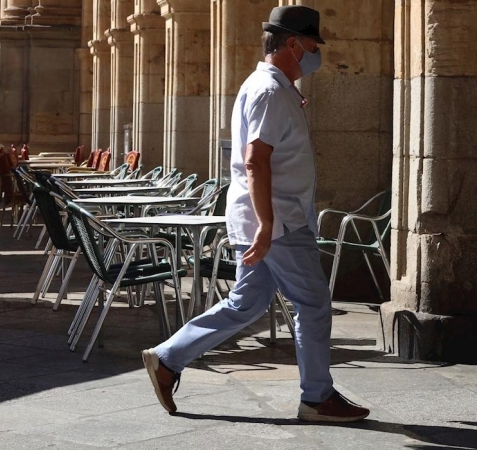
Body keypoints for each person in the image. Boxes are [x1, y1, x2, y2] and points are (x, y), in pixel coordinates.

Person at [141, 5, 370, 423]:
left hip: (270, 218)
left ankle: (168, 357)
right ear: (292, 44)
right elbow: (255, 161)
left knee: (246, 302)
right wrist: (267, 226)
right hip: (279, 221)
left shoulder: (271, 86)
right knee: (314, 303)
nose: (316, 53)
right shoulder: (269, 91)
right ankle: (317, 398)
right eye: (312, 45)